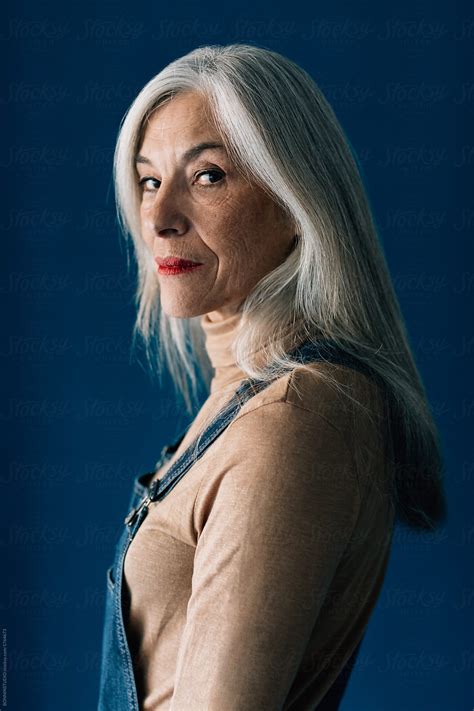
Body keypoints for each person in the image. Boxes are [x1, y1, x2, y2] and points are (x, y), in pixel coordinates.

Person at [97, 43, 447, 710]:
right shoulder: (247, 399)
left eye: (207, 176)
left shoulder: (294, 417)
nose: (161, 216)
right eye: (148, 180)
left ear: (294, 199)